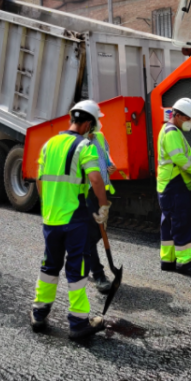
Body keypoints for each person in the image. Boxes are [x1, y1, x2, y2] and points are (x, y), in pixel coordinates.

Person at [29, 99, 112, 341]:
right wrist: (103, 206)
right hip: (75, 219)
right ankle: (78, 323)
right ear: (87, 123)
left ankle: (39, 313)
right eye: (92, 127)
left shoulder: (49, 144)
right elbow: (96, 179)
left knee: (49, 266)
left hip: (51, 219)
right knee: (77, 269)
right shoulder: (84, 146)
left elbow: (39, 180)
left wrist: (50, 205)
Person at [157, 97, 191, 276]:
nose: (190, 122)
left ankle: (168, 260)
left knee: (168, 222)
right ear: (177, 115)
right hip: (174, 184)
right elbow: (179, 159)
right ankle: (185, 263)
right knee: (181, 222)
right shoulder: (172, 133)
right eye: (188, 118)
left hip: (168, 184)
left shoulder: (168, 130)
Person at [87, 116, 117, 294]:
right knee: (91, 233)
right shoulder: (77, 142)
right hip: (84, 193)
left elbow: (107, 159)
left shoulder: (99, 137)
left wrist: (110, 166)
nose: (98, 123)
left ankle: (79, 255)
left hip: (101, 191)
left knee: (99, 232)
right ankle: (99, 274)